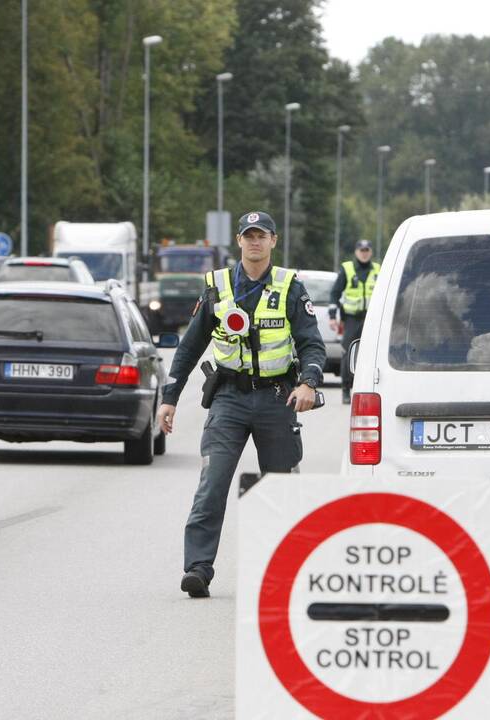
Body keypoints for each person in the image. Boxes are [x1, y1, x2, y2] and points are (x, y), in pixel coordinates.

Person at [156, 210, 326, 598]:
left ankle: (285, 572)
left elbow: (312, 343)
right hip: (229, 400)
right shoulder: (216, 286)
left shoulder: (289, 286)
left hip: (276, 399)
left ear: (273, 241)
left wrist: (308, 383)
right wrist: (170, 399)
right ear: (238, 241)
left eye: (261, 235)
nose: (254, 241)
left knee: (279, 488)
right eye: (248, 235)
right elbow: (188, 347)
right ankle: (197, 569)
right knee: (212, 485)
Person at [329, 239, 380, 403]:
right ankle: (345, 390)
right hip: (351, 319)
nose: (364, 253)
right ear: (356, 252)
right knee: (347, 353)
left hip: (372, 320)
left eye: (367, 250)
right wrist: (332, 316)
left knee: (374, 354)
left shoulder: (378, 270)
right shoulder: (347, 268)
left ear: (370, 252)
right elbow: (335, 294)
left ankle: (370, 390)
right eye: (361, 250)